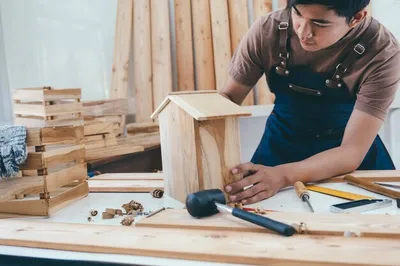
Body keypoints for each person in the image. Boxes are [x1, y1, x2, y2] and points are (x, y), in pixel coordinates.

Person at [220, 0, 400, 205]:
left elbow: (352, 151)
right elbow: (228, 99)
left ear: (356, 18)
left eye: (320, 23)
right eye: (297, 14)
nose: (303, 32)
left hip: (347, 156)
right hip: (281, 144)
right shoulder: (267, 30)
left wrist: (284, 176)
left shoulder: (382, 52)